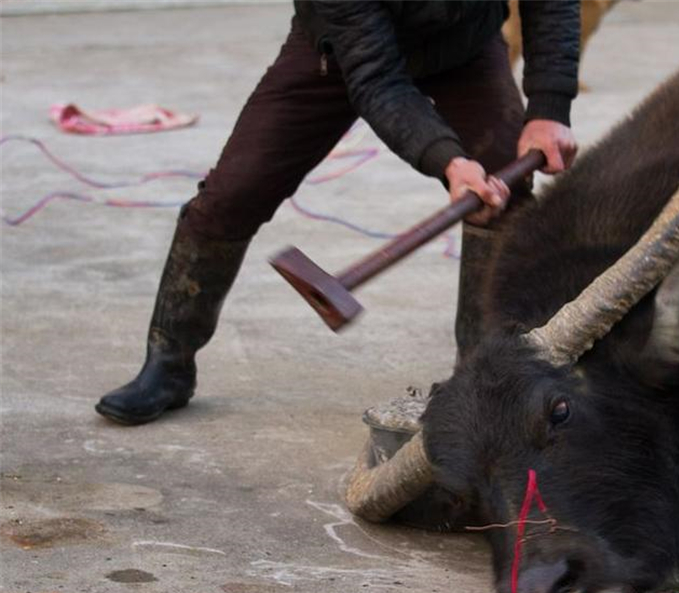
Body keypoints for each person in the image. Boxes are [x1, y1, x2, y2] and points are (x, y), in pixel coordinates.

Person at [95, 1, 580, 426]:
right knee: (230, 196)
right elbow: (377, 79)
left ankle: (480, 386)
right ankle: (168, 363)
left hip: (465, 47)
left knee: (503, 198)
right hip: (337, 54)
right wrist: (448, 161)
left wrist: (549, 108)